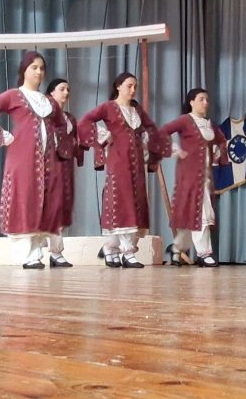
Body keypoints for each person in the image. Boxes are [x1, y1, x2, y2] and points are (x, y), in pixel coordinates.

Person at [0, 51, 65, 269]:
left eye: (42, 68)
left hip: (46, 162)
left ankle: (38, 253)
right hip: (22, 159)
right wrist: (2, 136)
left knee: (42, 204)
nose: (39, 72)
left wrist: (58, 146)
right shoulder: (14, 95)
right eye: (34, 67)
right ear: (24, 70)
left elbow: (61, 125)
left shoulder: (49, 102)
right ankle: (27, 256)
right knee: (25, 200)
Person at [77, 71, 164, 269]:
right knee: (122, 204)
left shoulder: (137, 110)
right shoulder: (108, 107)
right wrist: (103, 135)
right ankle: (128, 252)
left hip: (137, 164)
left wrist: (148, 142)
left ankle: (110, 248)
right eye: (129, 86)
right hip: (118, 162)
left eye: (135, 86)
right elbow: (84, 122)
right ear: (118, 86)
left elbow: (150, 129)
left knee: (135, 204)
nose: (133, 90)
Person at [159, 88, 227, 268]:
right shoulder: (185, 120)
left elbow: (221, 140)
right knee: (200, 212)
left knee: (191, 215)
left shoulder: (209, 124)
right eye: (201, 99)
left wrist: (219, 156)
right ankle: (204, 253)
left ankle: (176, 249)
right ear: (191, 102)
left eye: (207, 100)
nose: (205, 103)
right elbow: (163, 132)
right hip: (189, 175)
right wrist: (176, 150)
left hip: (205, 176)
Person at [44, 78, 83, 267]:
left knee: (60, 207)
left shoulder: (70, 118)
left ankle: (56, 252)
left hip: (65, 167)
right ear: (51, 92)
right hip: (47, 165)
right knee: (47, 207)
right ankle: (39, 253)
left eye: (68, 89)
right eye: (62, 89)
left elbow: (74, 141)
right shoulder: (44, 115)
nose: (66, 93)